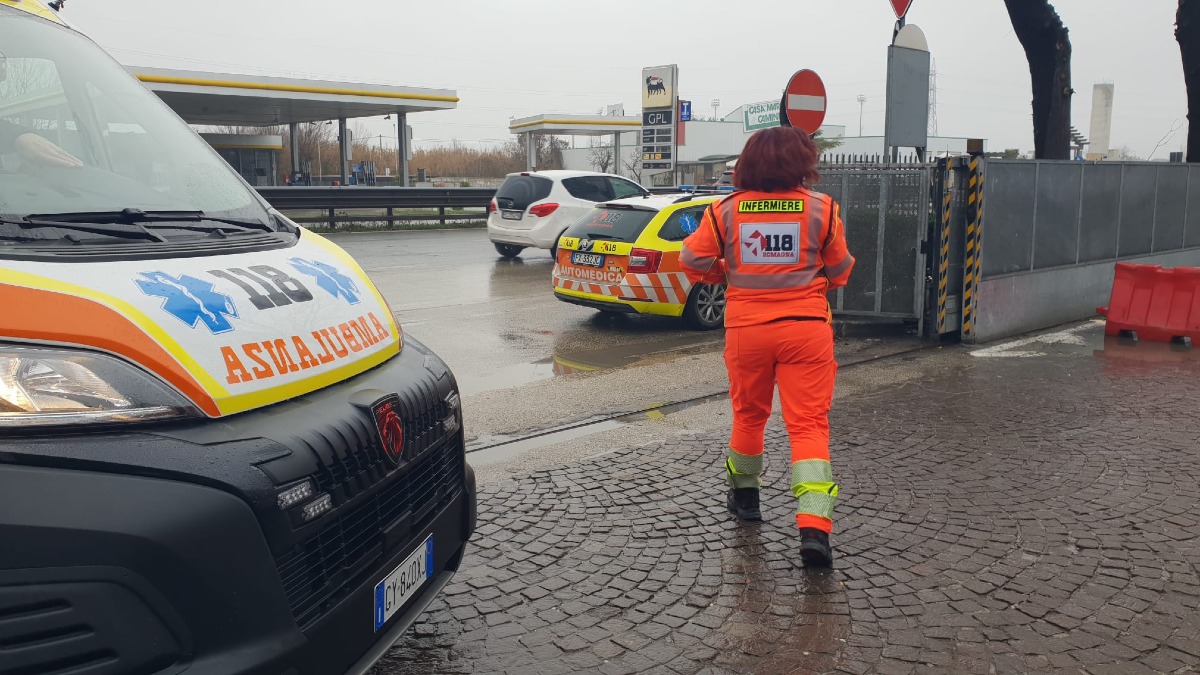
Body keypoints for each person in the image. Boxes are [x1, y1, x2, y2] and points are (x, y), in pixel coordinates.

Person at [679, 126, 855, 568]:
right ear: (802, 163)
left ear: (749, 163)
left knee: (749, 416)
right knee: (808, 425)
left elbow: (691, 260)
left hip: (747, 330)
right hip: (806, 330)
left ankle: (746, 499)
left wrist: (727, 273)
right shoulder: (823, 209)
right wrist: (813, 281)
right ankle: (814, 527)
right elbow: (840, 271)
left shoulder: (725, 210)